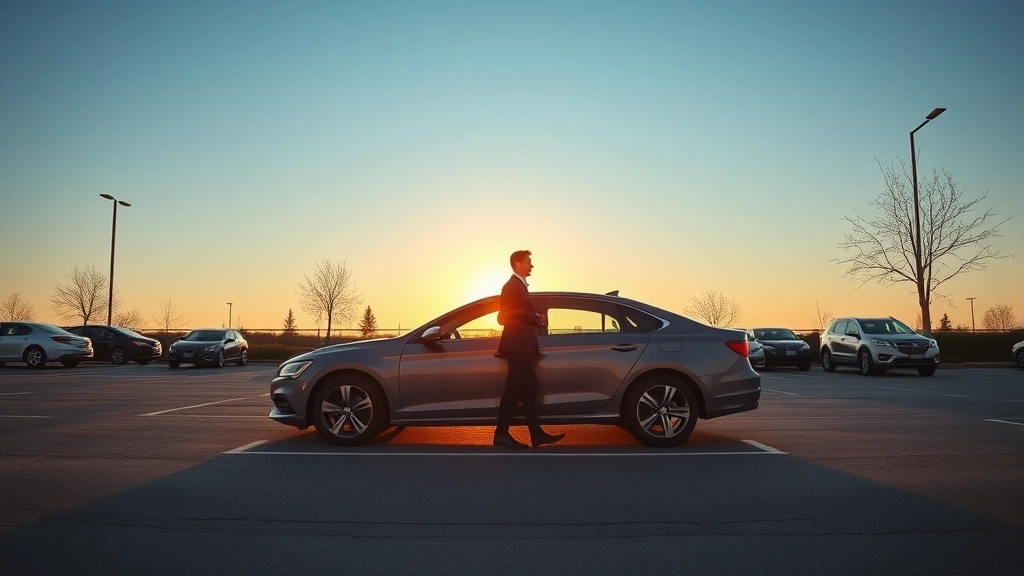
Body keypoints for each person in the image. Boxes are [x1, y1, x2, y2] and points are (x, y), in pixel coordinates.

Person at [493, 250, 566, 450]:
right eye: (528, 261)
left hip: (521, 346)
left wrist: (533, 316)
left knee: (524, 387)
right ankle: (506, 434)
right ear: (518, 264)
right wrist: (536, 318)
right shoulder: (512, 286)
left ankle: (532, 433)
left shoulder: (518, 286)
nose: (531, 265)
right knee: (521, 388)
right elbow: (504, 316)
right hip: (517, 347)